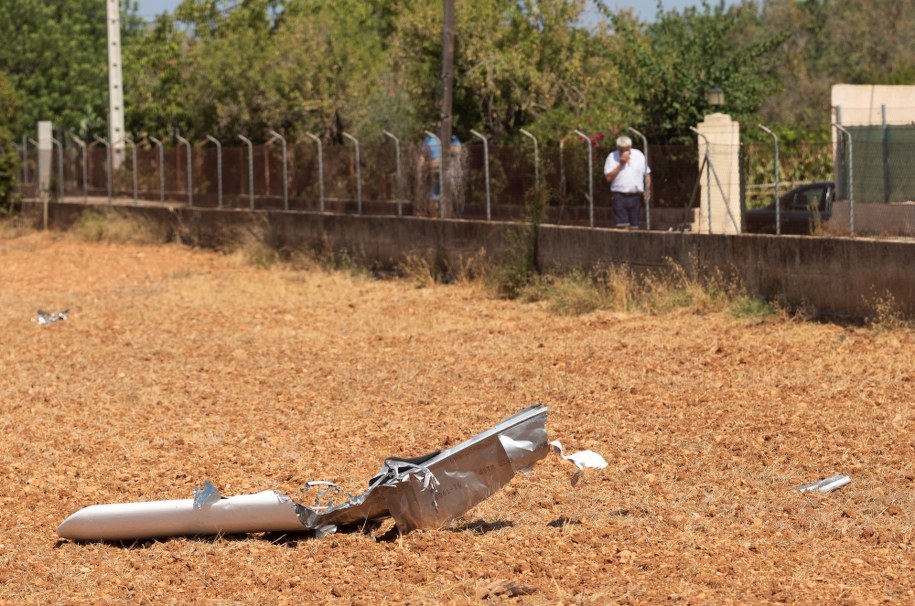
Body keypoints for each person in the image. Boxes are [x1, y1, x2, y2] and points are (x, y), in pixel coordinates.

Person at [603, 135, 651, 229]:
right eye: (622, 149)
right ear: (618, 148)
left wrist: (647, 189)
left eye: (627, 149)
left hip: (635, 196)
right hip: (619, 196)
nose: (625, 152)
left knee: (634, 227)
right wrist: (621, 164)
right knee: (623, 226)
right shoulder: (612, 157)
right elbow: (608, 178)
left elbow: (647, 174)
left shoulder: (639, 155)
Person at [418, 131, 462, 216]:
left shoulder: (453, 139)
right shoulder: (430, 139)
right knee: (432, 196)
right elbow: (422, 156)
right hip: (434, 172)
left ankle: (450, 216)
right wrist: (419, 171)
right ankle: (433, 219)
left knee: (450, 194)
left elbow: (458, 152)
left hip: (449, 172)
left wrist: (445, 147)